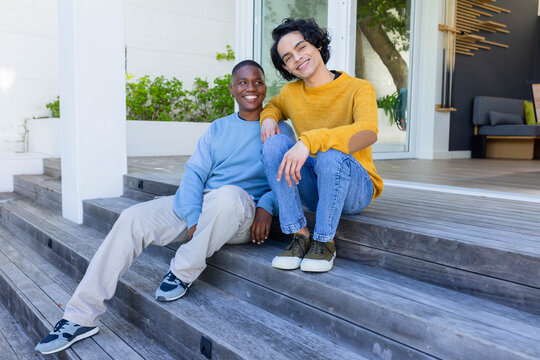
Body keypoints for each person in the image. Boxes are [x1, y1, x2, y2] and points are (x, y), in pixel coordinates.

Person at [35, 60, 294, 355]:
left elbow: (285, 178)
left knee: (228, 196)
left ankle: (182, 271)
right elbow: (195, 174)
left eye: (258, 82)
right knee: (132, 217)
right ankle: (79, 316)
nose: (251, 88)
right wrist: (193, 216)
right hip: (205, 204)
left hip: (241, 211)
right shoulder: (218, 128)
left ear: (265, 88)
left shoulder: (280, 131)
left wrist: (267, 205)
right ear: (232, 89)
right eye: (243, 82)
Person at [260, 18, 383, 273]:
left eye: (301, 47)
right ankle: (299, 234)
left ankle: (324, 241)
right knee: (274, 144)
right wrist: (268, 119)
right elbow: (273, 105)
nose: (297, 58)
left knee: (330, 156)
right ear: (287, 68)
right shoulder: (291, 93)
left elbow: (368, 132)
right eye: (288, 57)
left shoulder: (359, 88)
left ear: (317, 44)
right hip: (316, 188)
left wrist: (310, 140)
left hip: (355, 189)